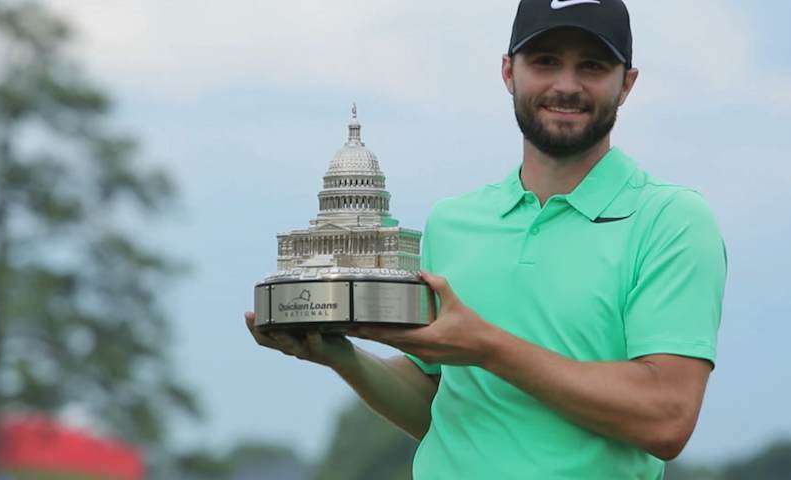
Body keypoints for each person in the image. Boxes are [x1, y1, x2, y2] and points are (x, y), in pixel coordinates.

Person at [245, 0, 727, 478]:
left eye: (593, 66)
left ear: (626, 83)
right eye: (544, 62)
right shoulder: (454, 222)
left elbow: (666, 417)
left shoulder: (671, 221)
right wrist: (340, 355)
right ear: (508, 72)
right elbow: (443, 406)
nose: (566, 84)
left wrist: (487, 347)